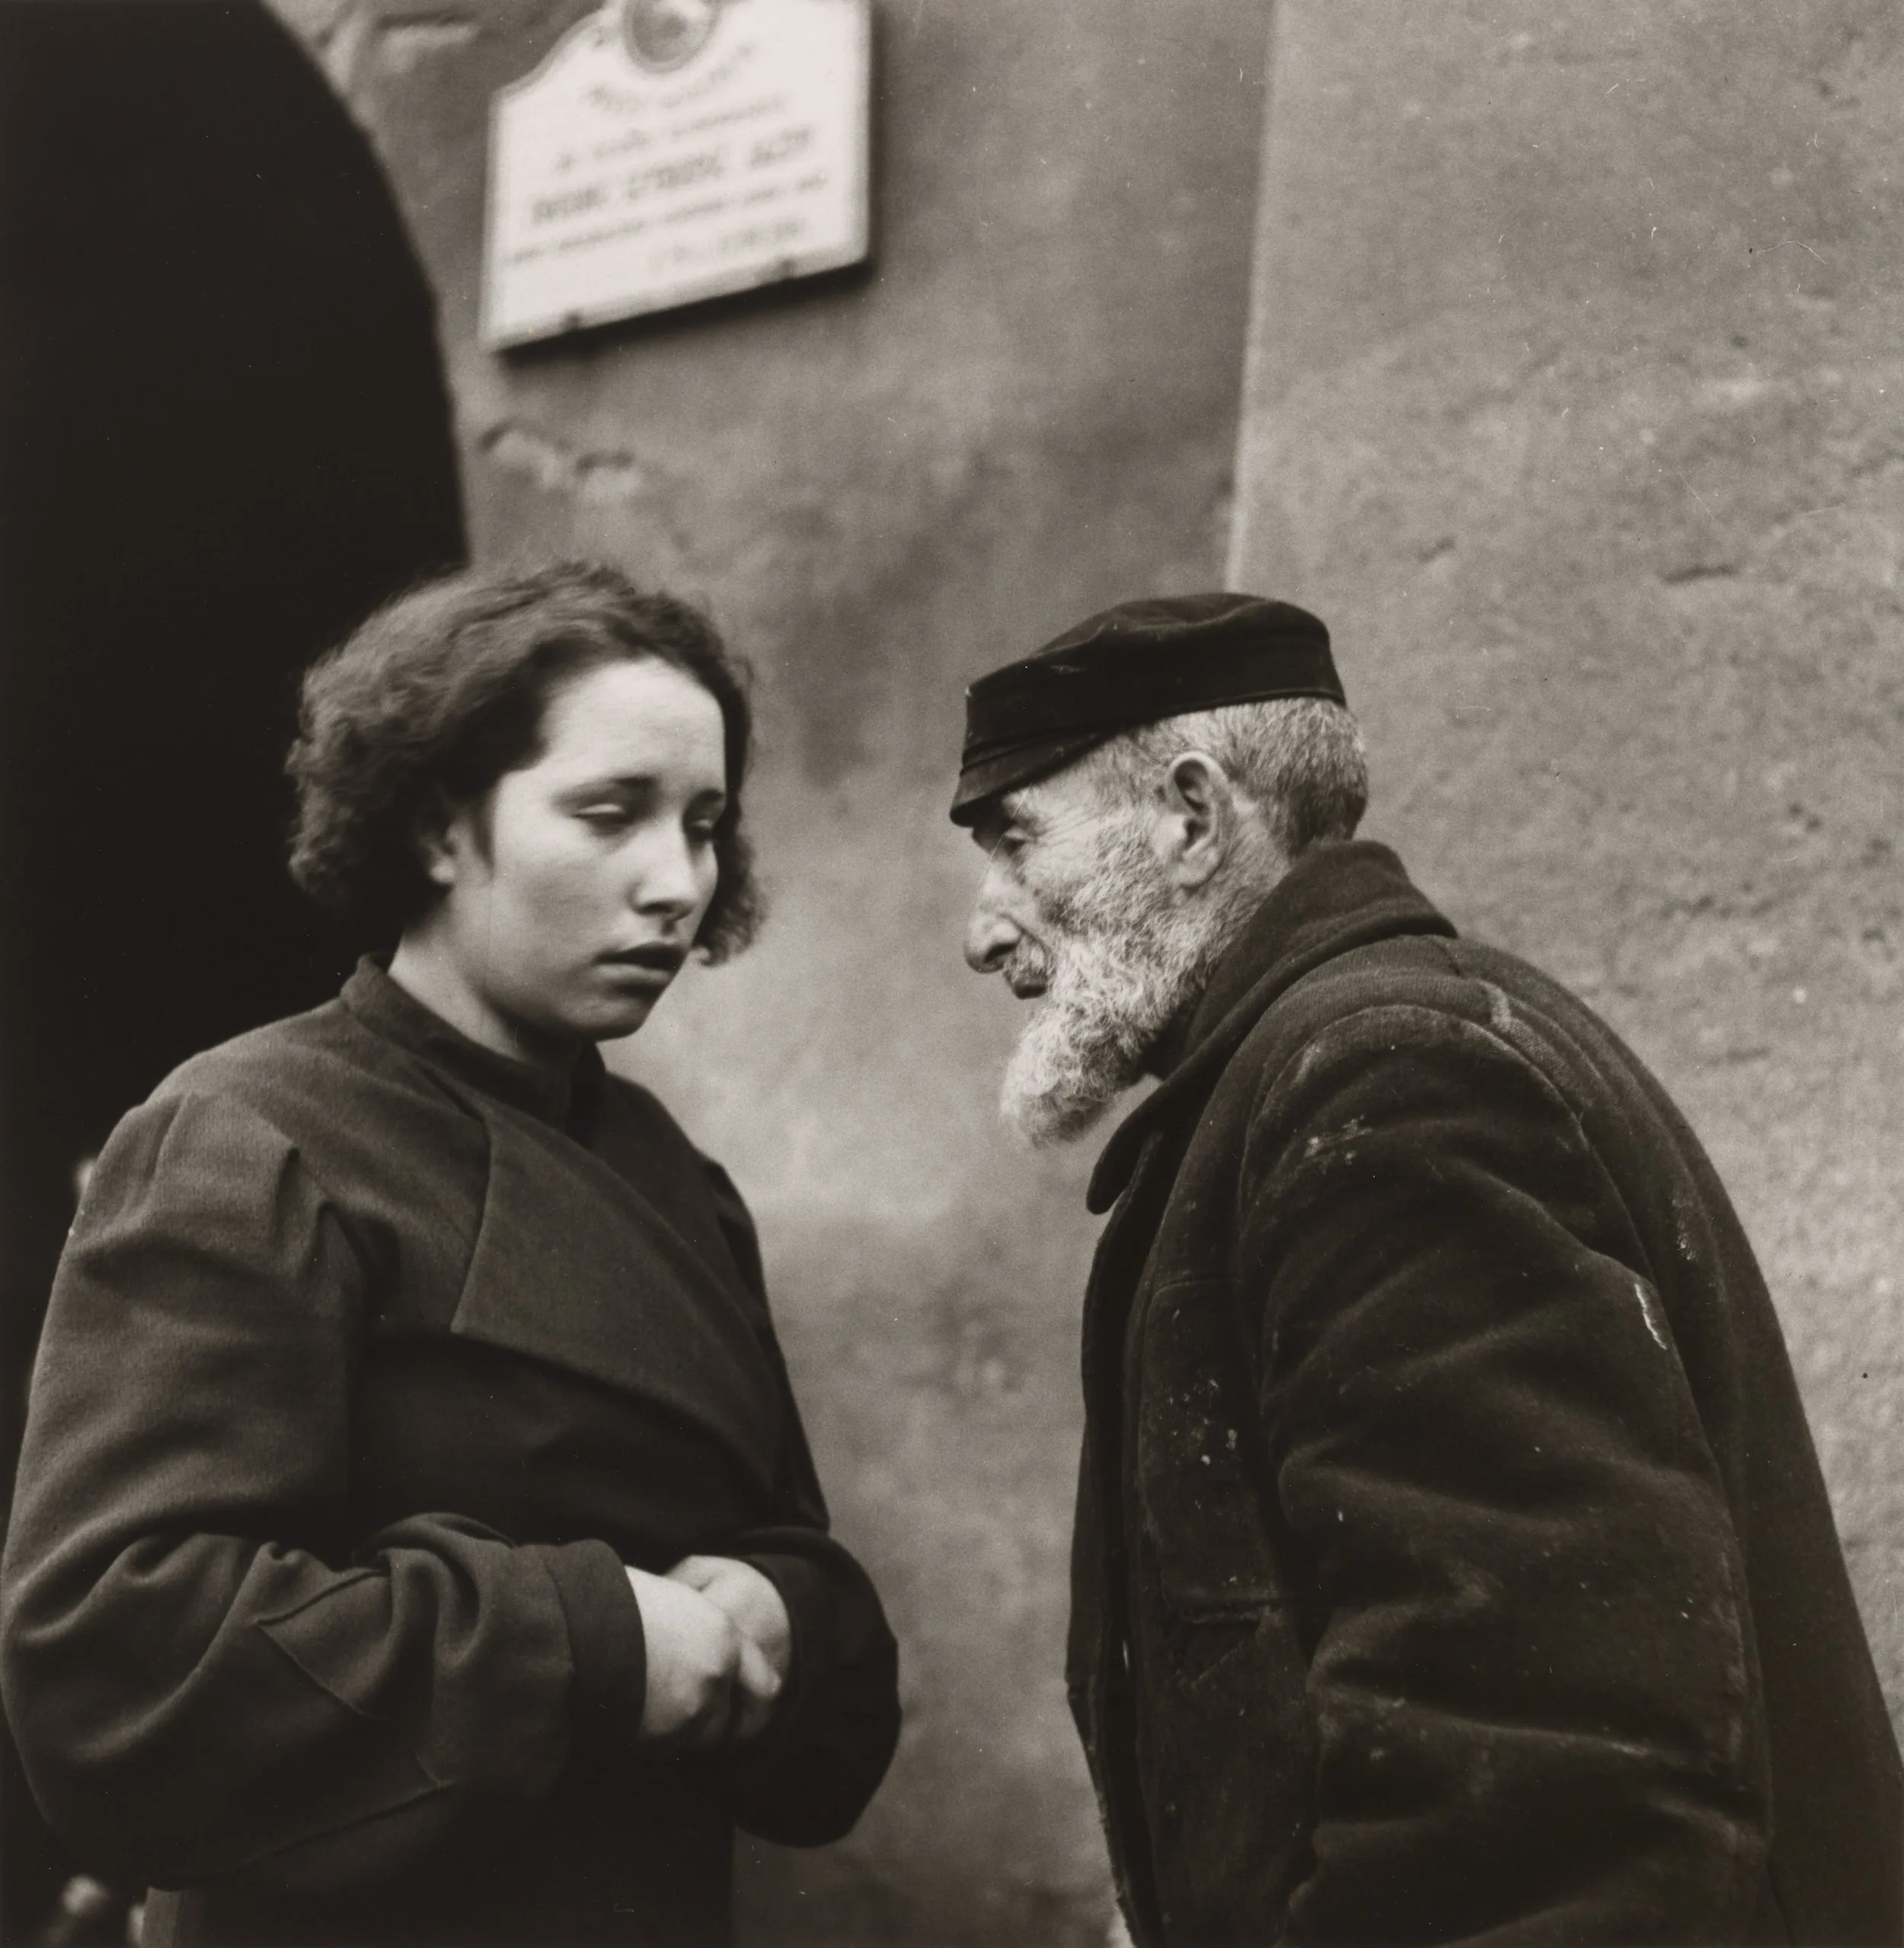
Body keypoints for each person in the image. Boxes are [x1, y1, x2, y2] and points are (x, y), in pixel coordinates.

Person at [951, 592, 1902, 1946]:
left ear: (1191, 817)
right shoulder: (1332, 1067)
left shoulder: (1382, 1081)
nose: (984, 931)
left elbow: (1544, 1792)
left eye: (1016, 843)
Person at [0, 562, 900, 1947]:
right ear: (437, 825)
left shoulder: (673, 1174)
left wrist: (780, 1610)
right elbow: (119, 1657)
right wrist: (587, 1641)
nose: (678, 884)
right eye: (610, 812)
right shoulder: (249, 1136)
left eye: (705, 825)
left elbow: (787, 1538)